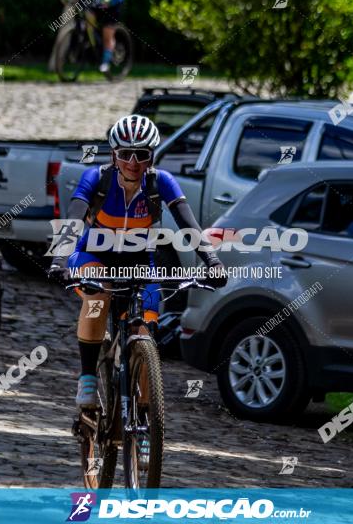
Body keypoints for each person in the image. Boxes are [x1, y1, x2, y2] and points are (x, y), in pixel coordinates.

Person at [48, 114, 226, 409]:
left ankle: (143, 422)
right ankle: (88, 380)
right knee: (98, 295)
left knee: (146, 332)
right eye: (125, 154)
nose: (133, 161)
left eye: (141, 154)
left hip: (140, 261)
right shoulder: (97, 178)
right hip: (94, 255)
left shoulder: (161, 182)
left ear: (151, 156)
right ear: (114, 154)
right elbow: (74, 219)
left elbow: (190, 226)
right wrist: (59, 259)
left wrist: (212, 261)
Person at [61, 0, 125, 73]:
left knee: (107, 32)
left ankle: (105, 62)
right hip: (98, 4)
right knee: (88, 17)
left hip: (113, 4)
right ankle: (93, 41)